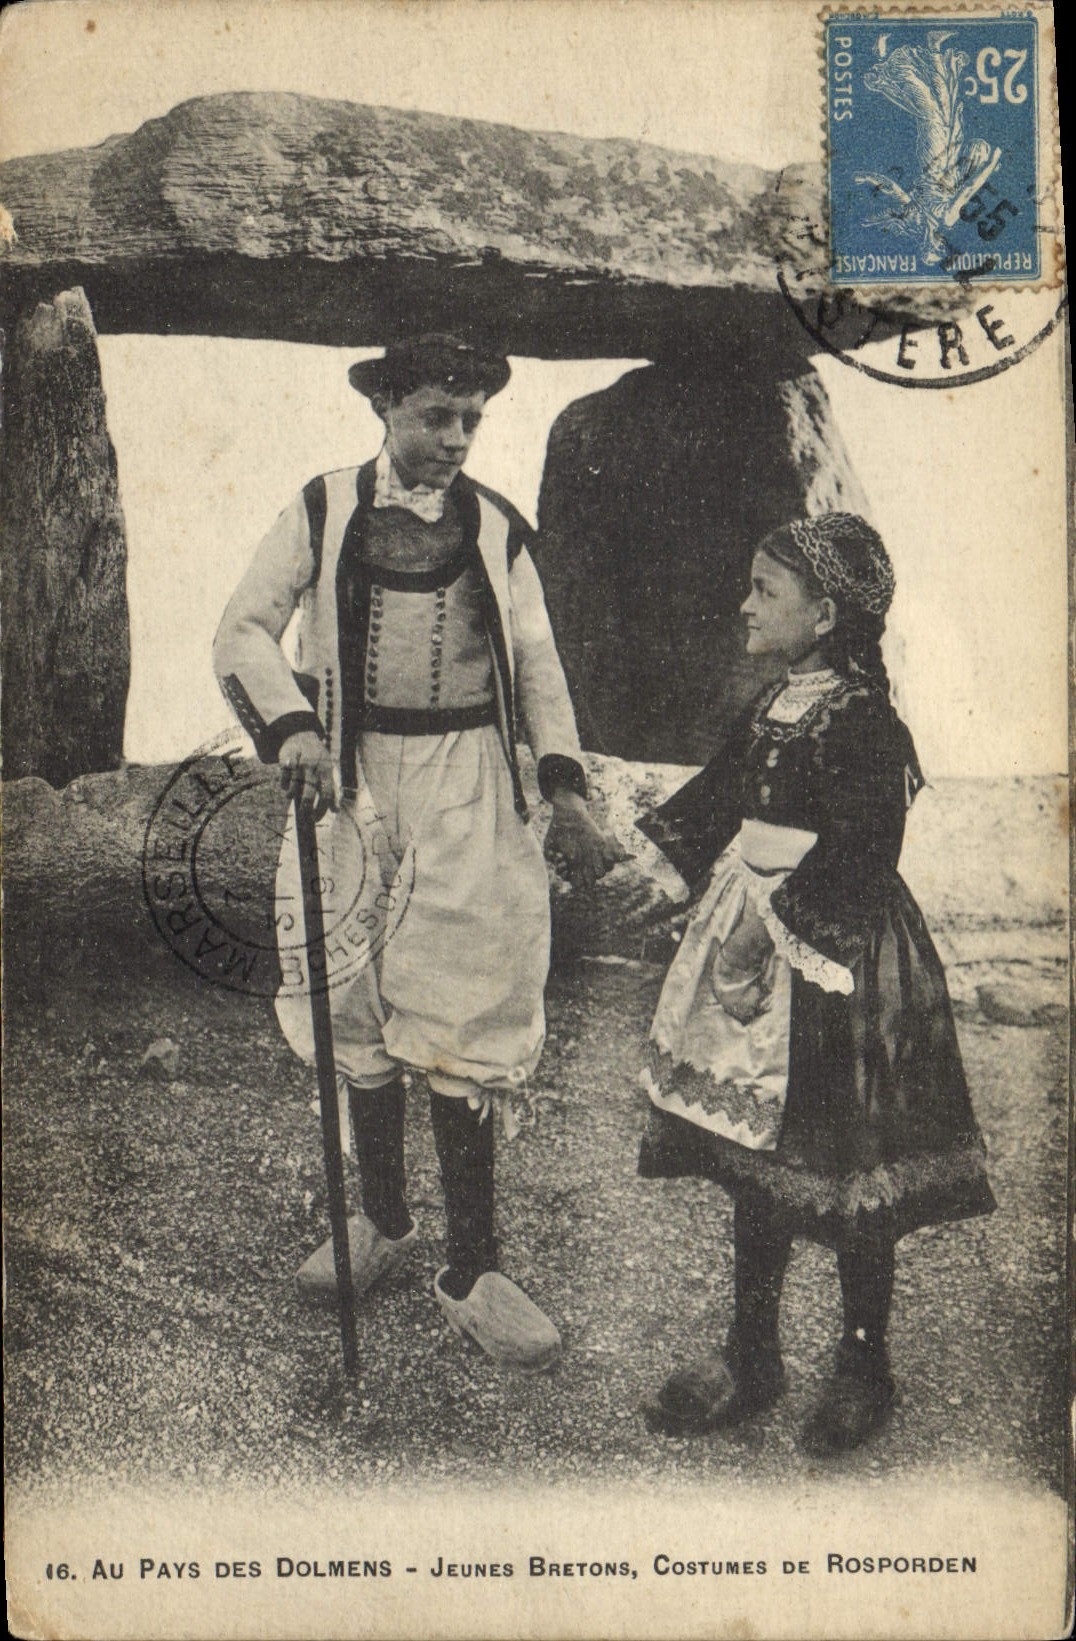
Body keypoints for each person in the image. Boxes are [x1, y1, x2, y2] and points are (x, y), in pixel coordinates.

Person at [214, 333, 624, 1372]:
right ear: (385, 407)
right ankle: (384, 1224)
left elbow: (536, 660)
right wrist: (291, 729)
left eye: (471, 420)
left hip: (466, 785)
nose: (453, 439)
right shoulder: (320, 508)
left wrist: (562, 782)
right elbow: (244, 631)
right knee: (349, 997)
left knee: (462, 999)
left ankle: (471, 1270)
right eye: (435, 415)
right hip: (348, 782)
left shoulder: (494, 528)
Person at [635, 513, 995, 1451]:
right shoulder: (772, 703)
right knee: (757, 1156)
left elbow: (863, 853)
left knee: (844, 1170)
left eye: (765, 590)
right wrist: (659, 875)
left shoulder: (869, 723)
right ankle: (753, 1353)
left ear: (825, 612)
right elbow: (719, 796)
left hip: (837, 962)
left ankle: (863, 1363)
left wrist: (766, 934)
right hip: (753, 937)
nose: (743, 604)